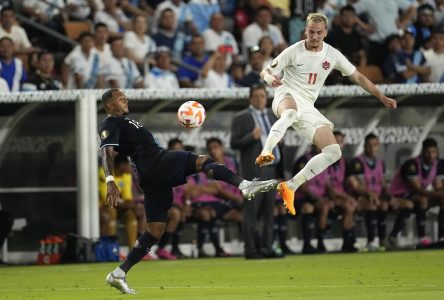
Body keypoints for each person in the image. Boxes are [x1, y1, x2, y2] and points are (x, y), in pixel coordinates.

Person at [100, 89, 277, 294]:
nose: (125, 99)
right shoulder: (111, 123)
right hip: (156, 163)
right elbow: (106, 152)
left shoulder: (127, 122)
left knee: (155, 230)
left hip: (152, 177)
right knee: (202, 161)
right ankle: (244, 185)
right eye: (120, 98)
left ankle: (119, 274)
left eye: (124, 97)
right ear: (110, 106)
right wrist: (110, 179)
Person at [255, 13, 397, 216]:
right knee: (290, 114)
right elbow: (265, 71)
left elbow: (358, 76)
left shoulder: (332, 55)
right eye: (310, 32)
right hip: (286, 94)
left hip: (308, 106)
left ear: (325, 33)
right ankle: (266, 151)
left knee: (334, 151)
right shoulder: (294, 50)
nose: (313, 36)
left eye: (318, 33)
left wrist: (381, 96)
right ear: (305, 31)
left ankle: (290, 186)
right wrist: (270, 79)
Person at [230, 84, 281, 260]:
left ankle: (267, 248)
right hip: (253, 172)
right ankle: (251, 249)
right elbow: (233, 143)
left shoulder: (271, 116)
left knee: (269, 213)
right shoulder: (241, 117)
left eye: (262, 96)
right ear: (250, 98)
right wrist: (251, 137)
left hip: (271, 170)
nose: (260, 99)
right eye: (256, 96)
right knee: (251, 213)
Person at [388, 137, 444, 248]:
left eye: (433, 152)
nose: (431, 155)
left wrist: (441, 193)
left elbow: (438, 186)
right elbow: (416, 189)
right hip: (400, 194)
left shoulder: (437, 165)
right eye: (428, 152)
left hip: (418, 195)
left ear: (437, 151)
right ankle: (422, 238)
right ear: (423, 151)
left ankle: (442, 237)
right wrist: (440, 193)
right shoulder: (412, 164)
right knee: (422, 199)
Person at [347, 133, 389, 251]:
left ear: (378, 146)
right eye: (369, 145)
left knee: (384, 205)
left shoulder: (381, 162)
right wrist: (371, 195)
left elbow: (383, 183)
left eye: (375, 145)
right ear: (365, 146)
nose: (372, 148)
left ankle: (382, 241)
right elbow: (359, 186)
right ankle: (370, 241)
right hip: (362, 196)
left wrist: (389, 196)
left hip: (377, 196)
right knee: (372, 205)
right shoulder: (357, 162)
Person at [99, 153, 139, 248]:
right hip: (101, 207)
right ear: (122, 165)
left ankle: (132, 251)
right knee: (111, 212)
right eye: (130, 164)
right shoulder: (105, 172)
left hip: (118, 206)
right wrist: (127, 205)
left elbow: (127, 197)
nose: (132, 167)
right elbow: (107, 199)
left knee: (131, 216)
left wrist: (129, 204)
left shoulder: (126, 176)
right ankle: (111, 249)